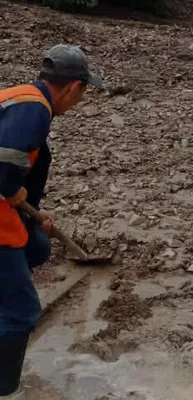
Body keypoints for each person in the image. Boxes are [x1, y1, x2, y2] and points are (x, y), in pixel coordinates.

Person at [0, 44, 102, 397]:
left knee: (38, 246)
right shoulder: (35, 111)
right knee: (22, 310)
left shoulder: (19, 97)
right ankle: (6, 389)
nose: (80, 100)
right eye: (83, 92)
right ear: (73, 86)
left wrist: (30, 210)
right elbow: (5, 167)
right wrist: (12, 192)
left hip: (7, 205)